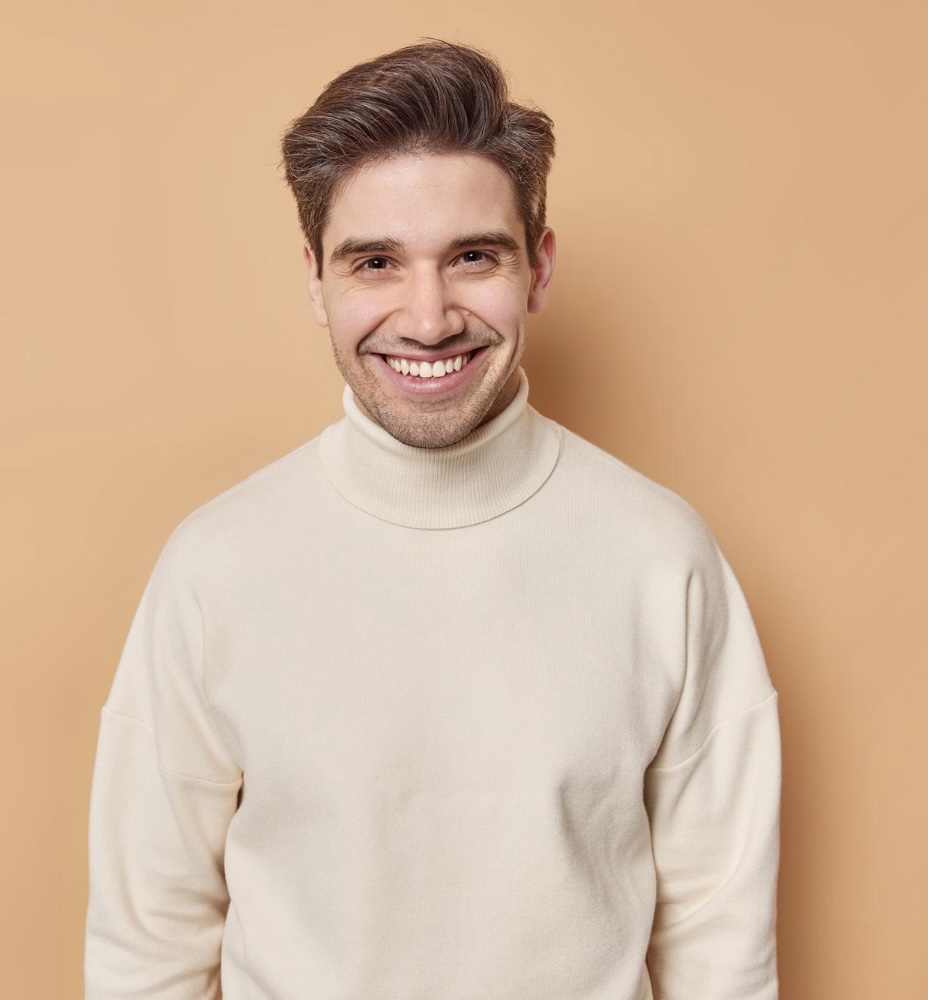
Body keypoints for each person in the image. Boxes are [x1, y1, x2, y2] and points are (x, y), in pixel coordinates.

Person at [85, 40, 780, 1000]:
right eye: (375, 262)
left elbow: (720, 939)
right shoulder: (216, 566)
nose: (428, 317)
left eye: (472, 258)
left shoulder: (663, 558)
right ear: (315, 283)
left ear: (536, 268)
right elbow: (146, 940)